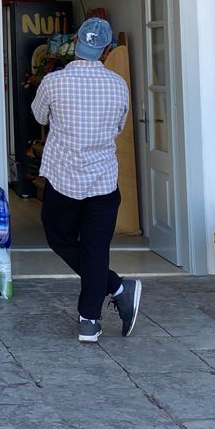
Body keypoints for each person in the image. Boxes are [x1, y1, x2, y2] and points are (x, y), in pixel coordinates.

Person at [31, 17, 141, 342]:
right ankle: (93, 316)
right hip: (103, 180)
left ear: (76, 39)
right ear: (106, 49)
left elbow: (39, 116)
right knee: (96, 249)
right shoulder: (118, 84)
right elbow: (119, 126)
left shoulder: (53, 82)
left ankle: (114, 291)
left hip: (63, 178)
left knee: (59, 239)